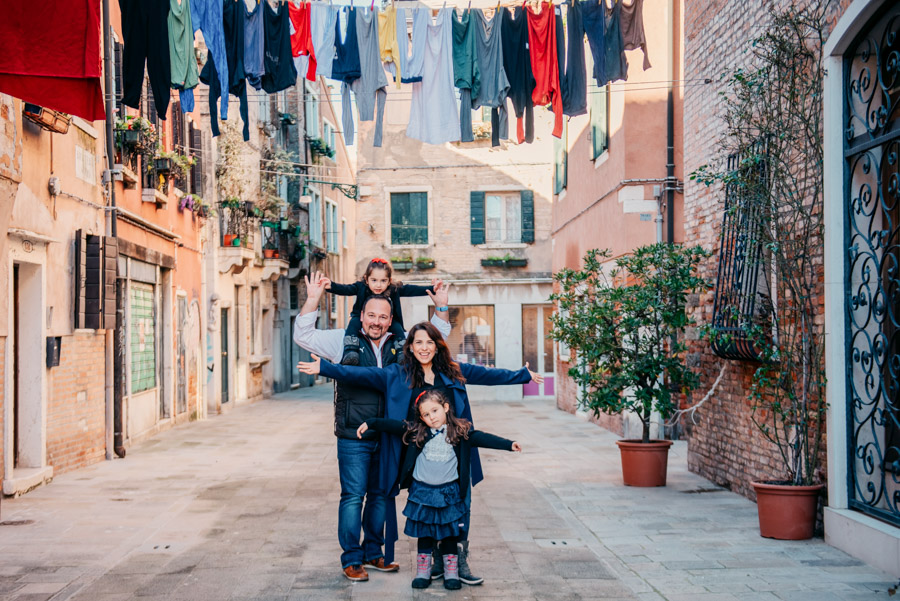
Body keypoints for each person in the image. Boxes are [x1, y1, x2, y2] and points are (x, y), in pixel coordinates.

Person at [297, 321, 543, 586]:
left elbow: (488, 375)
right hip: (420, 460)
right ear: (410, 348)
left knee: (461, 505)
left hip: (456, 453)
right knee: (427, 507)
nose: (424, 348)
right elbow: (360, 375)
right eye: (418, 343)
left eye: (429, 342)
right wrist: (325, 368)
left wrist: (522, 375)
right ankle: (435, 559)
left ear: (437, 346)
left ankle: (457, 559)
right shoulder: (397, 374)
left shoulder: (454, 371)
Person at [292, 271, 451, 582]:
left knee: (381, 494)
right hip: (353, 433)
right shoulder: (343, 340)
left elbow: (432, 343)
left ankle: (374, 553)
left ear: (391, 318)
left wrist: (441, 309)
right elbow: (304, 336)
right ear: (361, 315)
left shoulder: (402, 345)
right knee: (353, 495)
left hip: (389, 433)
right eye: (371, 315)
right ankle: (352, 558)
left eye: (383, 316)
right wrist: (313, 299)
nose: (377, 321)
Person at [356, 389, 522, 590]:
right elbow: (392, 425)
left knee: (450, 532)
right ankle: (423, 572)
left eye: (434, 411)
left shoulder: (460, 432)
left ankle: (451, 572)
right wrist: (371, 423)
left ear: (446, 407)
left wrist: (508, 444)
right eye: (425, 414)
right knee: (424, 533)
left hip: (448, 493)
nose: (431, 417)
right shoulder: (418, 431)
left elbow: (483, 438)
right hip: (422, 493)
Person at [325, 257, 438, 365]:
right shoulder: (361, 287)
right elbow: (346, 289)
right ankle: (350, 351)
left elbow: (411, 290)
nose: (378, 285)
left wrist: (432, 289)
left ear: (389, 281)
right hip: (360, 317)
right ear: (366, 279)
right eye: (374, 280)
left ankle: (402, 353)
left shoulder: (393, 289)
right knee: (353, 325)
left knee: (398, 329)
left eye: (383, 281)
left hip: (388, 319)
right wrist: (331, 286)